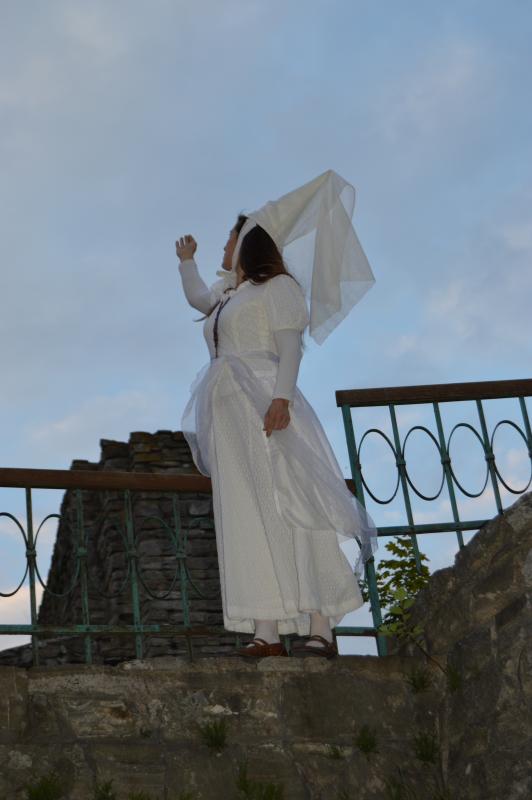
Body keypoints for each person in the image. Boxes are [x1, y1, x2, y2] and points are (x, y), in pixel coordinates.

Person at [177, 170, 378, 659]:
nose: (225, 246)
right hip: (228, 415)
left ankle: (320, 625)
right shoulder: (227, 295)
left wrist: (282, 400)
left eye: (230, 238)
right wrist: (187, 263)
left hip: (265, 400)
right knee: (246, 512)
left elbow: (290, 348)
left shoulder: (277, 288)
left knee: (294, 503)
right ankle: (265, 627)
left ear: (248, 240)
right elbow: (198, 298)